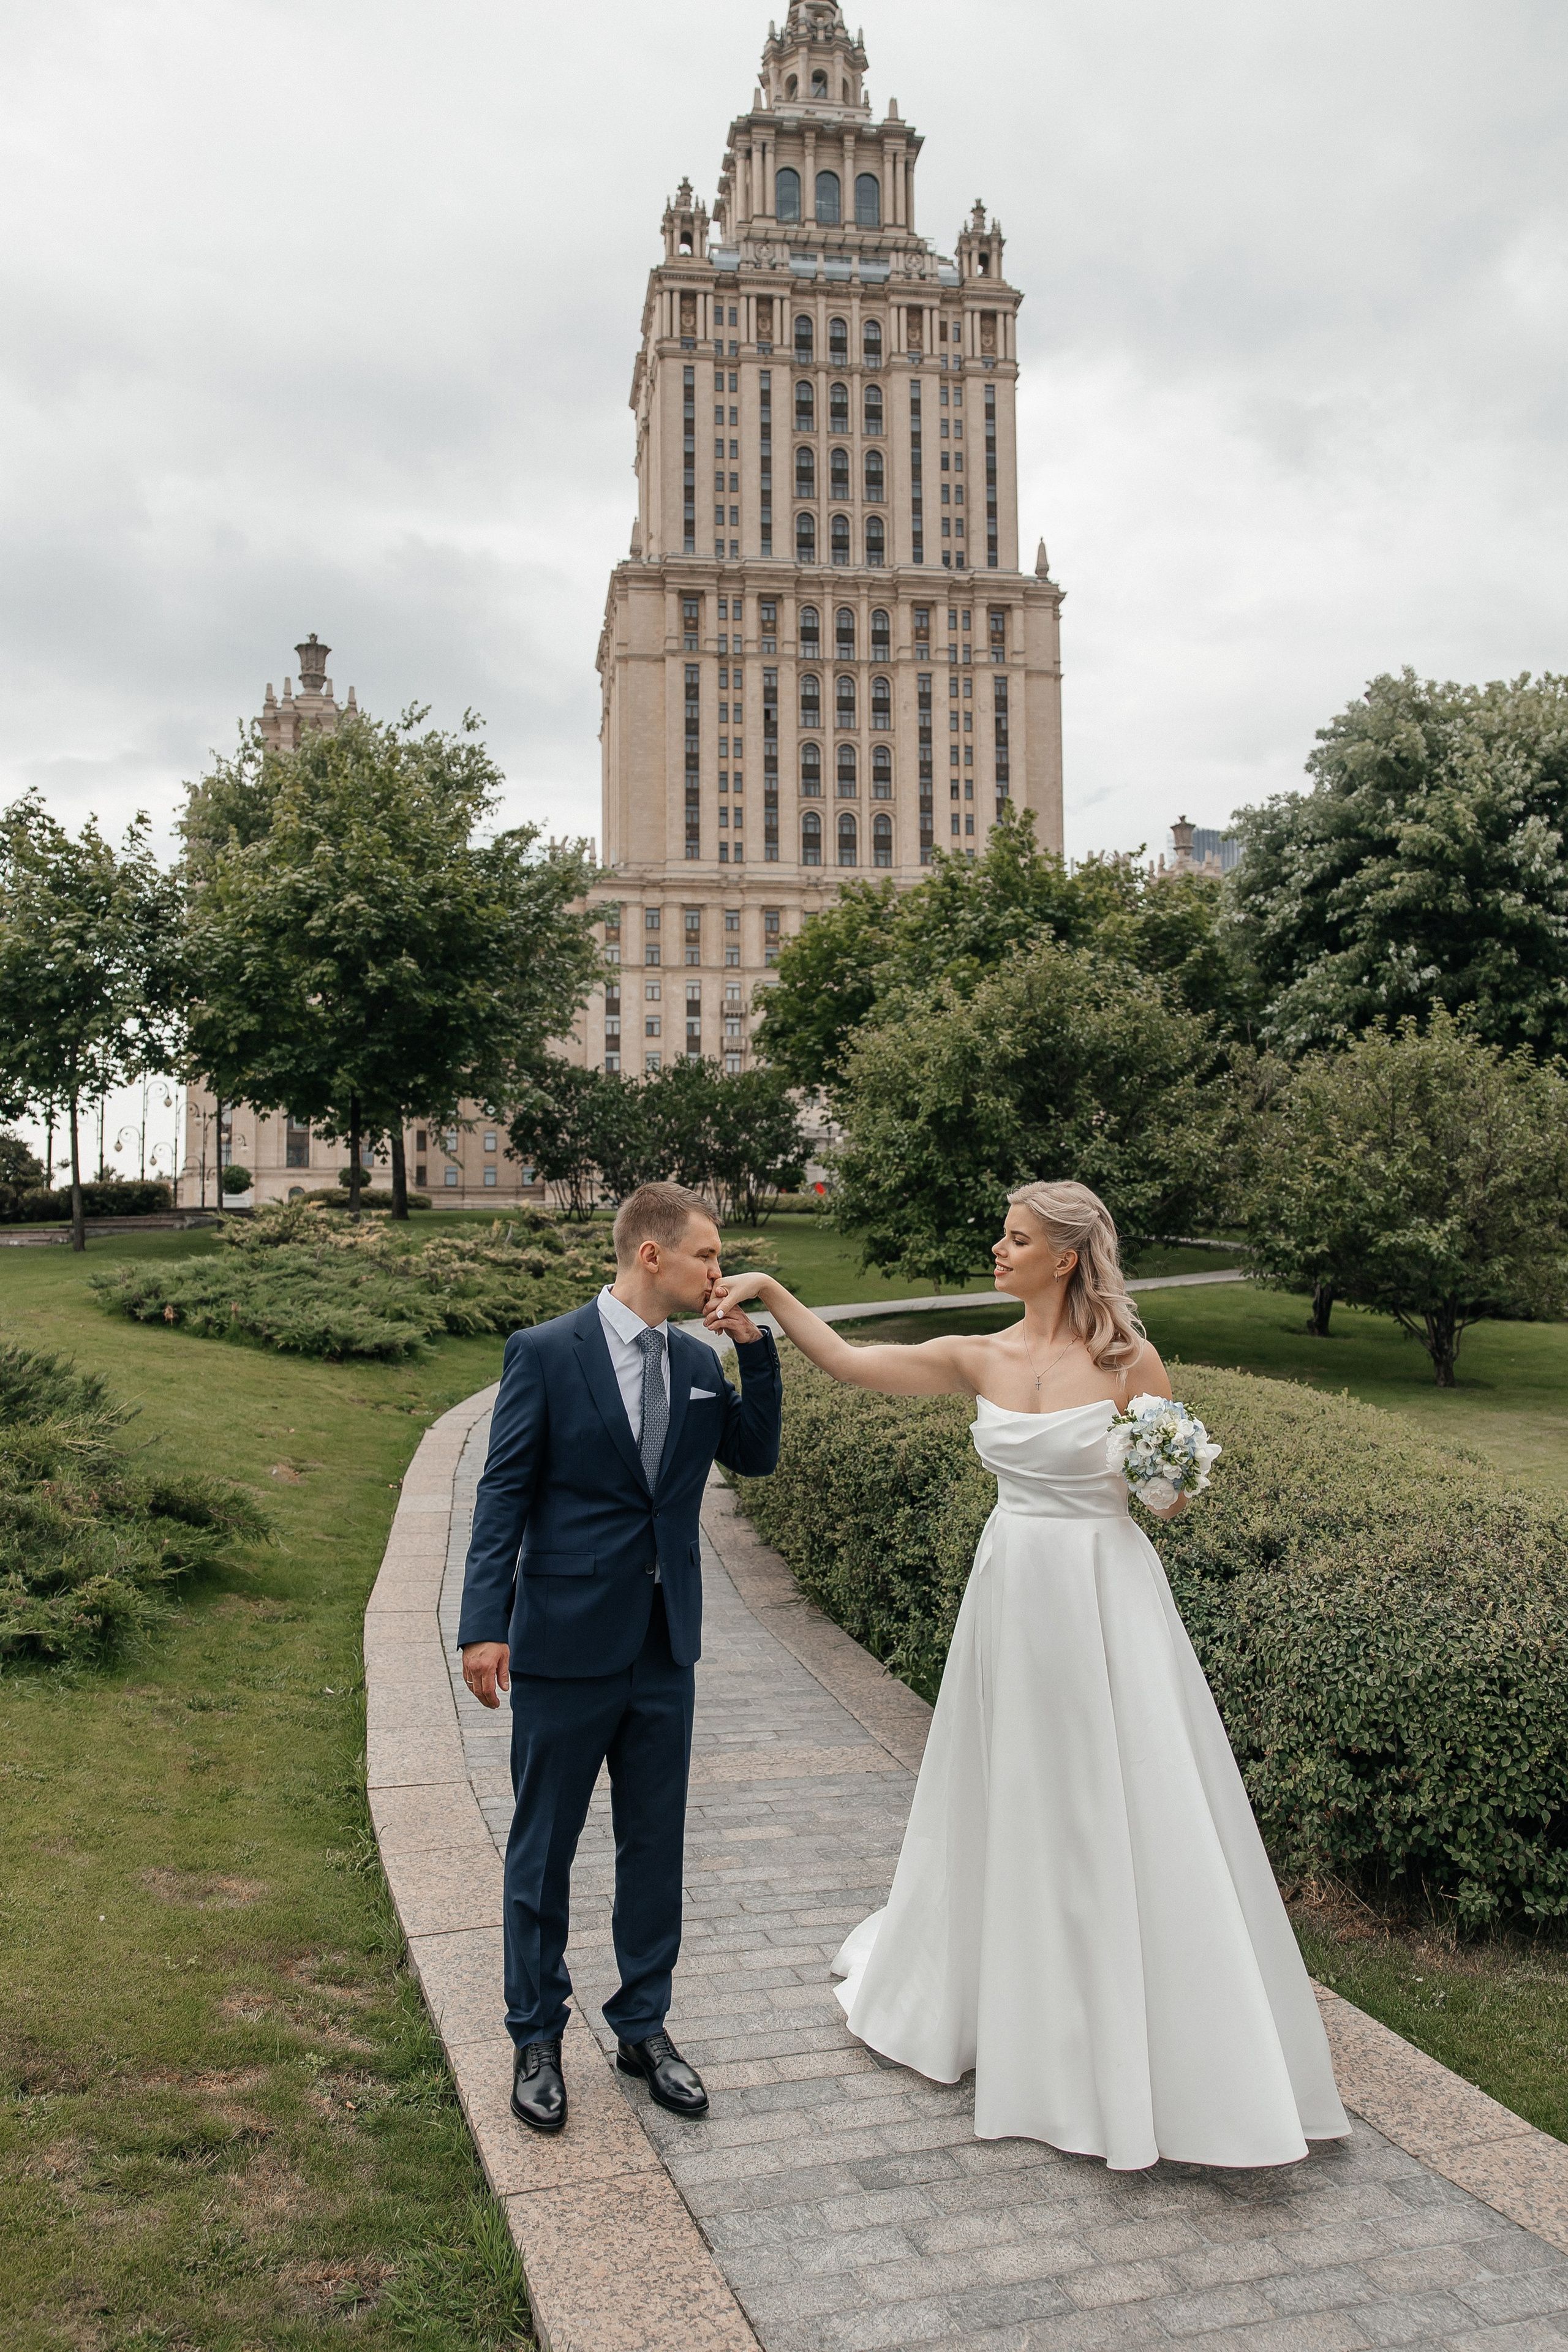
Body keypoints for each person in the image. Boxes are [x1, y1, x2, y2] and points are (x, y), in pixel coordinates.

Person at [704, 1178, 1349, 2173]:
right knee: (1017, 1790)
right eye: (999, 1234)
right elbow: (846, 1361)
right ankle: (1009, 1998)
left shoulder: (1131, 1360)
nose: (997, 1251)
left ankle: (1134, 2032)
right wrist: (775, 1294)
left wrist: (1168, 1463)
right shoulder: (979, 1354)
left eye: (1016, 1239)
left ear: (1065, 1257)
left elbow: (1167, 1504)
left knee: (1116, 1795)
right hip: (1013, 1595)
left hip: (1107, 1596)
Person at [459, 1181, 781, 2135]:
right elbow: (502, 1494)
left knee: (654, 1845)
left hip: (662, 1647)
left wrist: (753, 1355)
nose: (720, 1273)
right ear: (652, 1254)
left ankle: (644, 2026)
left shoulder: (695, 1359)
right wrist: (486, 1623)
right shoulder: (547, 1353)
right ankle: (535, 2034)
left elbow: (753, 1458)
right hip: (561, 1642)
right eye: (709, 1257)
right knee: (543, 1846)